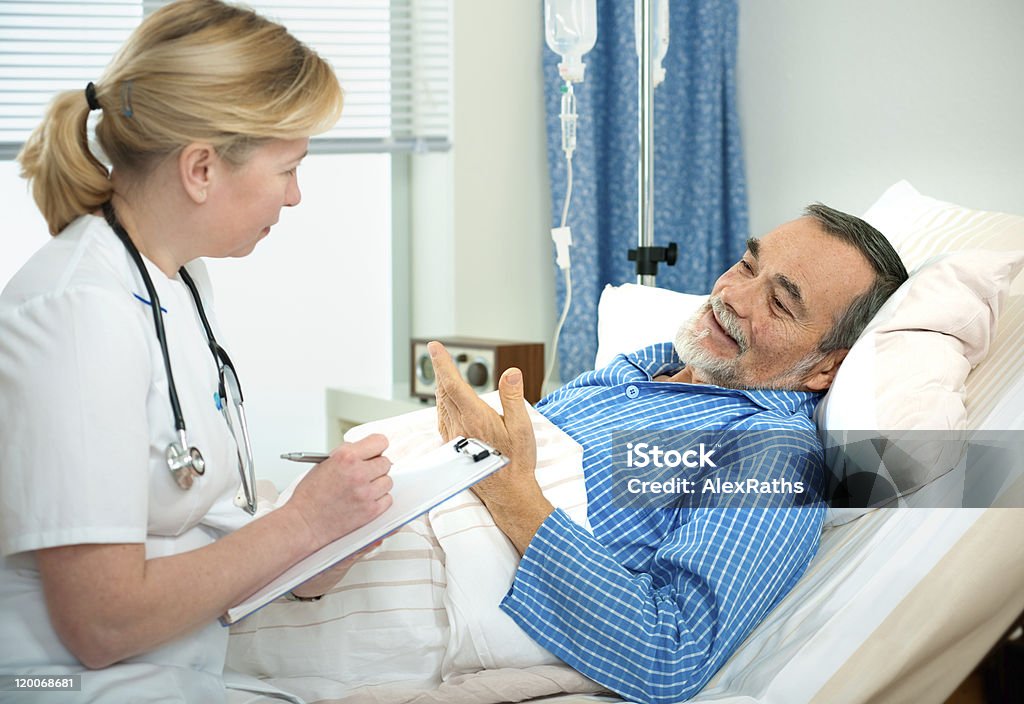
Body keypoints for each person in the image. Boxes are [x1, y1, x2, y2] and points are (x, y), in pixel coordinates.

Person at [0, 1, 393, 701]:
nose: (298, 197)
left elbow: (185, 533)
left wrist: (310, 554)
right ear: (202, 169)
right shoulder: (80, 314)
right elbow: (103, 621)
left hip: (178, 670)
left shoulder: (175, 280)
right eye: (289, 168)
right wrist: (301, 524)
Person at [429, 204, 909, 704]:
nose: (732, 296)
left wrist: (510, 493)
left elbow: (670, 653)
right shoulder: (638, 366)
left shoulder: (769, 452)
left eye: (781, 305)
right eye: (747, 265)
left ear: (826, 370)